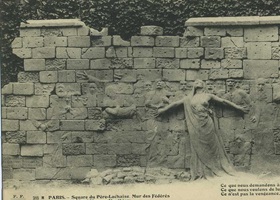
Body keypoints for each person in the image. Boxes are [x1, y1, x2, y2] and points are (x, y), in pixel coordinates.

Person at [157, 79, 249, 180]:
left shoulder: (208, 95)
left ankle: (214, 168)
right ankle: (200, 171)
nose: (198, 83)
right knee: (197, 146)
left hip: (207, 123)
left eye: (200, 82)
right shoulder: (188, 98)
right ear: (193, 85)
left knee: (212, 146)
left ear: (203, 84)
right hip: (194, 123)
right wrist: (163, 110)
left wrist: (238, 107)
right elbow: (175, 104)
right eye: (196, 82)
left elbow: (223, 102)